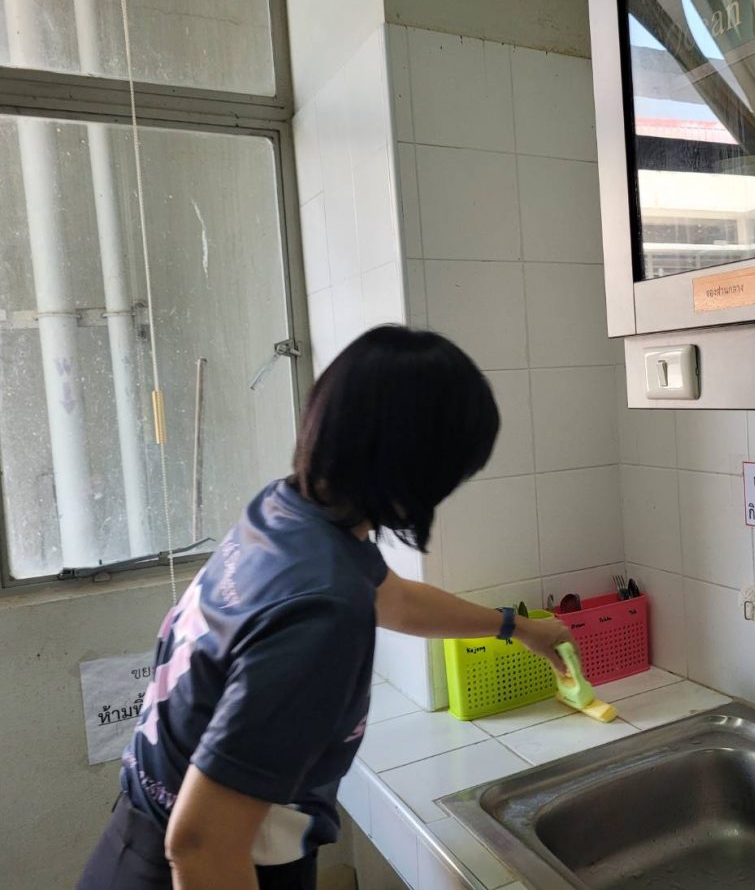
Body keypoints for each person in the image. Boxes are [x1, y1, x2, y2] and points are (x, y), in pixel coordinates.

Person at [77, 326, 573, 890]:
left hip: (139, 841)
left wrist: (516, 627)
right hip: (201, 868)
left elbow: (396, 599)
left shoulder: (287, 513)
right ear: (418, 465)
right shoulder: (324, 611)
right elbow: (200, 845)